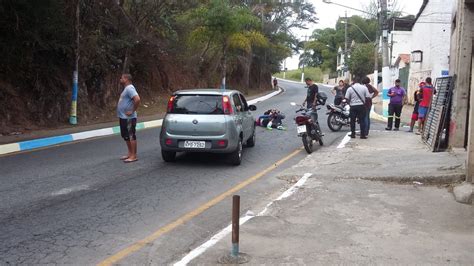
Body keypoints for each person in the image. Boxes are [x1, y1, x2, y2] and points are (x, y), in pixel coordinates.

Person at [117, 73, 141, 163]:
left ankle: (133, 156)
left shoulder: (130, 88)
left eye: (122, 78)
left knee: (131, 135)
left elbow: (137, 99)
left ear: (126, 79)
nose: (120, 79)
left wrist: (132, 110)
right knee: (126, 136)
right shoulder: (126, 89)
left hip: (129, 117)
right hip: (123, 117)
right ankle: (130, 153)